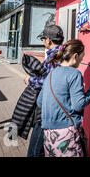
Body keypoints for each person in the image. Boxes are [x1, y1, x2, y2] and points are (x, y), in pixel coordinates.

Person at [37, 39, 90, 157]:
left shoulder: (52, 73)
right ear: (76, 56)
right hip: (66, 135)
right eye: (82, 57)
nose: (82, 60)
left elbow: (40, 102)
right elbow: (78, 104)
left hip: (48, 136)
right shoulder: (74, 73)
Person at [26, 24, 64, 157]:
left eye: (43, 39)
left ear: (48, 40)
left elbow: (50, 81)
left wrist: (30, 80)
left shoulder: (56, 56)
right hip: (53, 108)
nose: (43, 42)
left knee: (35, 152)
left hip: (47, 109)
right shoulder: (62, 53)